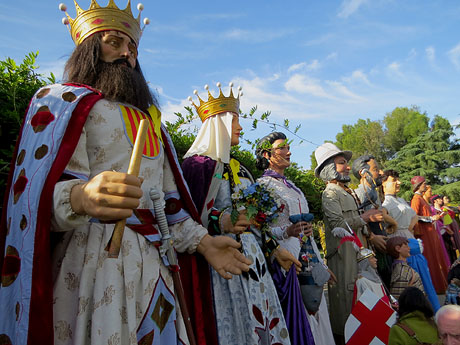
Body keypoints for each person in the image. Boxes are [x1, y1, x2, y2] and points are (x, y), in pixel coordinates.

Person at [0, 3, 252, 344]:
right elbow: (36, 195)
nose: (126, 54)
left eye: (131, 48)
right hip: (92, 258)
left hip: (153, 263)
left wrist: (205, 243)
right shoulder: (61, 103)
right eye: (114, 42)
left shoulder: (151, 123)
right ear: (89, 49)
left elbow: (170, 206)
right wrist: (83, 196)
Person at [181, 84, 292, 344]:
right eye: (234, 121)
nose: (240, 128)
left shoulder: (241, 169)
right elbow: (189, 218)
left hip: (255, 260)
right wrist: (222, 221)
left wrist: (275, 250)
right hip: (221, 261)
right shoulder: (197, 166)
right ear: (218, 124)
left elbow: (257, 219)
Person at [255, 132, 334, 345]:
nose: (288, 152)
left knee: (317, 305)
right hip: (284, 256)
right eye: (282, 148)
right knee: (297, 311)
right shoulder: (262, 186)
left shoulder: (294, 187)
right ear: (267, 154)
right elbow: (259, 231)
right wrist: (287, 232)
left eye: (288, 147)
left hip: (308, 252)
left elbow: (306, 230)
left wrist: (320, 263)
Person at [314, 142, 383, 344]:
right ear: (329, 168)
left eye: (346, 163)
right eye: (342, 163)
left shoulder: (347, 191)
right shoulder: (330, 193)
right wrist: (366, 218)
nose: (346, 167)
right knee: (347, 298)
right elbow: (337, 223)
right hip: (343, 256)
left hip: (359, 254)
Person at [352, 155, 394, 289]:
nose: (381, 173)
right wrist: (372, 237)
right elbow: (356, 220)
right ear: (363, 173)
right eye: (375, 169)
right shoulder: (360, 194)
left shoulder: (373, 193)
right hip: (372, 250)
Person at [411, 176, 449, 293]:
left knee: (436, 257)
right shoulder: (416, 199)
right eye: (423, 183)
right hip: (425, 233)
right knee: (431, 258)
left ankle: (441, 284)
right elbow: (415, 217)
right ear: (418, 185)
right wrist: (432, 218)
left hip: (430, 232)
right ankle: (436, 286)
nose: (425, 185)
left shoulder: (421, 198)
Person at [381, 170, 417, 239]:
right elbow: (382, 214)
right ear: (384, 183)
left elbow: (415, 216)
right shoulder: (386, 200)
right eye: (394, 180)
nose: (399, 183)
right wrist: (394, 224)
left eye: (398, 180)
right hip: (396, 238)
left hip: (407, 235)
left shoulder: (401, 200)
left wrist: (408, 229)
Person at [431, 194, 457, 264]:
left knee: (452, 250)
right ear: (435, 201)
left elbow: (447, 221)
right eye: (439, 199)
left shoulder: (441, 209)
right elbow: (436, 221)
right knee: (447, 250)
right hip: (441, 233)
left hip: (447, 231)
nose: (441, 200)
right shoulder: (433, 210)